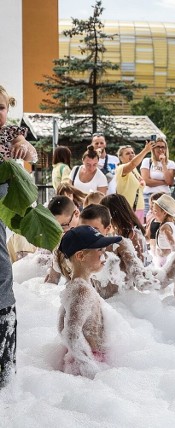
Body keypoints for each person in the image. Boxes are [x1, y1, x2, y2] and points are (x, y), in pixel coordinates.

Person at [0, 84, 38, 387]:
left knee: (2, 278)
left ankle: (6, 374)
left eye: (1, 108)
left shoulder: (10, 134)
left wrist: (26, 149)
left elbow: (30, 149)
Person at [57, 225, 122, 378]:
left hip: (89, 359)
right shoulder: (82, 291)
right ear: (80, 256)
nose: (104, 256)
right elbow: (71, 333)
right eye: (99, 250)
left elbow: (62, 327)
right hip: (88, 365)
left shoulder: (81, 286)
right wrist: (90, 369)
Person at [101, 193, 148, 264]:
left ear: (113, 214)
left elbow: (139, 264)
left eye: (105, 214)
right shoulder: (118, 232)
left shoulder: (133, 234)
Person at [141, 137, 175, 217]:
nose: (161, 149)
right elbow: (146, 181)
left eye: (163, 147)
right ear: (153, 148)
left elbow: (170, 182)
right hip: (149, 196)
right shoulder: (147, 161)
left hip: (165, 197)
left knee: (165, 219)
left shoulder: (170, 163)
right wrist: (163, 182)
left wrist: (163, 163)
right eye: (158, 147)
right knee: (147, 220)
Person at [151, 194, 175, 268]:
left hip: (165, 261)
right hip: (164, 259)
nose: (153, 213)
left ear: (164, 213)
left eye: (155, 211)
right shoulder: (170, 225)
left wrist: (174, 256)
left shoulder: (165, 227)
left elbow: (172, 242)